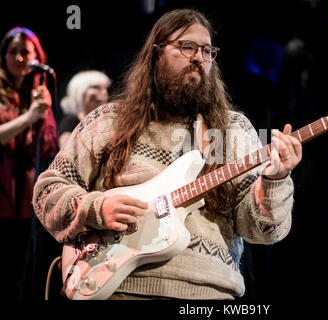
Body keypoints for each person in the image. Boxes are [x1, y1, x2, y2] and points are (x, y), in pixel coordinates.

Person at [32, 9, 302, 300]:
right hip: (118, 288)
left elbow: (264, 232)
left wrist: (276, 179)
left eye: (208, 50)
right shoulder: (107, 121)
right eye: (187, 46)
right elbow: (46, 193)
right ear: (156, 53)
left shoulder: (234, 131)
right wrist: (97, 209)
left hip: (209, 295)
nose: (199, 57)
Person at [0, 26, 57, 300]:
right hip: (1, 192)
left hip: (24, 201)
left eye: (26, 52)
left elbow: (48, 146)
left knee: (19, 276)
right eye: (13, 52)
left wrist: (43, 114)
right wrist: (28, 117)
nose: (20, 58)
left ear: (37, 56)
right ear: (3, 55)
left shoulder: (38, 92)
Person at [58, 70, 110, 148]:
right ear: (79, 92)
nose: (104, 92)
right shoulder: (71, 122)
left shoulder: (109, 121)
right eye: (96, 87)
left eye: (105, 88)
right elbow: (66, 152)